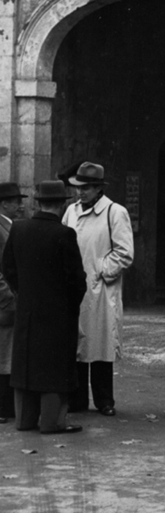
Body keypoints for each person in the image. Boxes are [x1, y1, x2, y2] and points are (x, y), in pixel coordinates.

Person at [2, 181, 87, 433]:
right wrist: (69, 304)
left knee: (25, 365)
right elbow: (76, 280)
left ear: (38, 203)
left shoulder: (18, 229)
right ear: (61, 204)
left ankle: (25, 420)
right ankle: (53, 422)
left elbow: (8, 268)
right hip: (57, 314)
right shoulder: (64, 234)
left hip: (27, 310)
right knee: (54, 367)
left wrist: (23, 292)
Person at [62, 162, 134, 417]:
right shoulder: (71, 211)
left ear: (98, 188)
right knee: (77, 345)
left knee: (101, 343)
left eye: (86, 188)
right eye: (78, 188)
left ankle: (104, 400)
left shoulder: (114, 212)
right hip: (74, 287)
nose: (80, 192)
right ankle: (77, 398)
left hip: (101, 289)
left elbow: (124, 252)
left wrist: (100, 270)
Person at [0, 182, 26, 424]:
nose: (21, 206)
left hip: (8, 300)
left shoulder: (10, 226)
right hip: (5, 302)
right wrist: (8, 296)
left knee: (7, 354)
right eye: (16, 201)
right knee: (4, 354)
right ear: (4, 204)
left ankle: (6, 407)